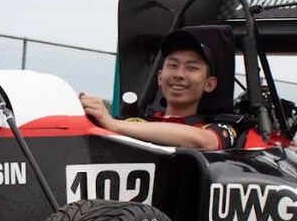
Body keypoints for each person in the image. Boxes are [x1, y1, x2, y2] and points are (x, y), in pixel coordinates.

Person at [80, 29, 236, 150]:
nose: (179, 74)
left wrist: (114, 125)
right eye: (173, 65)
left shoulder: (217, 129)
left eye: (191, 68)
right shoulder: (135, 123)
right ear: (160, 77)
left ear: (209, 84)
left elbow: (202, 141)